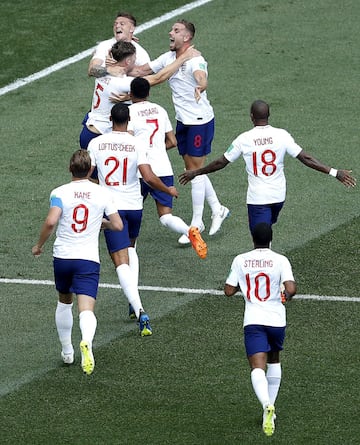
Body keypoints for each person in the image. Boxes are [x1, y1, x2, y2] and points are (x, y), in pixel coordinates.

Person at [88, 103, 206, 331]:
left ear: (110, 118)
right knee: (131, 249)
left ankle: (139, 308)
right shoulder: (136, 144)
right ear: (128, 120)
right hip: (134, 207)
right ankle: (133, 302)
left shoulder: (96, 143)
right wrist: (167, 189)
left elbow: (88, 173)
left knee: (120, 262)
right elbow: (149, 177)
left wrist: (97, 186)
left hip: (112, 208)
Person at [179, 99, 357, 233]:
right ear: (268, 116)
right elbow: (306, 158)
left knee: (259, 239)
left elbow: (221, 162)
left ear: (251, 117)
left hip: (258, 198)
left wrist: (197, 172)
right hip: (279, 196)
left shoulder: (244, 139)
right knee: (266, 234)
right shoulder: (282, 135)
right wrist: (335, 172)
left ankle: (266, 278)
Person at [128, 19, 229, 244]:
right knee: (193, 168)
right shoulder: (169, 57)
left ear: (187, 38)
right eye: (171, 30)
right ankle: (217, 208)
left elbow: (201, 76)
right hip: (183, 121)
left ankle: (196, 223)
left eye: (176, 31)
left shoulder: (195, 59)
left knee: (194, 172)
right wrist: (124, 53)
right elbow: (141, 71)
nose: (170, 33)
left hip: (199, 122)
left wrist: (201, 85)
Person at [31, 150, 123, 375]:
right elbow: (118, 225)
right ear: (91, 169)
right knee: (86, 308)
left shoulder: (60, 192)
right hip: (87, 259)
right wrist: (103, 224)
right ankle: (87, 342)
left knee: (64, 301)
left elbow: (52, 221)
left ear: (69, 169)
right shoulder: (103, 194)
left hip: (63, 256)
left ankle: (67, 352)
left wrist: (39, 245)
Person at [224, 222, 296, 437]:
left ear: (252, 238)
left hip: (253, 319)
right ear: (270, 238)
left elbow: (228, 290)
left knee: (257, 367)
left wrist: (243, 285)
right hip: (276, 320)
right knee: (274, 360)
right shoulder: (280, 260)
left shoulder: (241, 259)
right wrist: (286, 294)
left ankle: (266, 404)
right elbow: (291, 288)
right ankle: (271, 410)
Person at [128, 76, 207, 259]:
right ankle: (189, 230)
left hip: (139, 170)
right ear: (148, 93)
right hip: (163, 168)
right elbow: (172, 141)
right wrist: (155, 148)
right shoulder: (160, 110)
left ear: (131, 94)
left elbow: (128, 141)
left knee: (133, 212)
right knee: (165, 216)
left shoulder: (129, 112)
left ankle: (130, 255)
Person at [80, 40, 200, 151]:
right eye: (134, 58)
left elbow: (94, 70)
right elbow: (158, 78)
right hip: (100, 136)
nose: (136, 60)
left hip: (89, 131)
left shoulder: (104, 72)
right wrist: (183, 57)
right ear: (128, 61)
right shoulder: (123, 83)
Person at [88, 11, 150, 78]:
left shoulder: (141, 53)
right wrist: (108, 69)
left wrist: (116, 66)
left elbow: (145, 76)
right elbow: (91, 70)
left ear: (132, 29)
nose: (117, 26)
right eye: (115, 24)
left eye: (122, 24)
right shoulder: (105, 45)